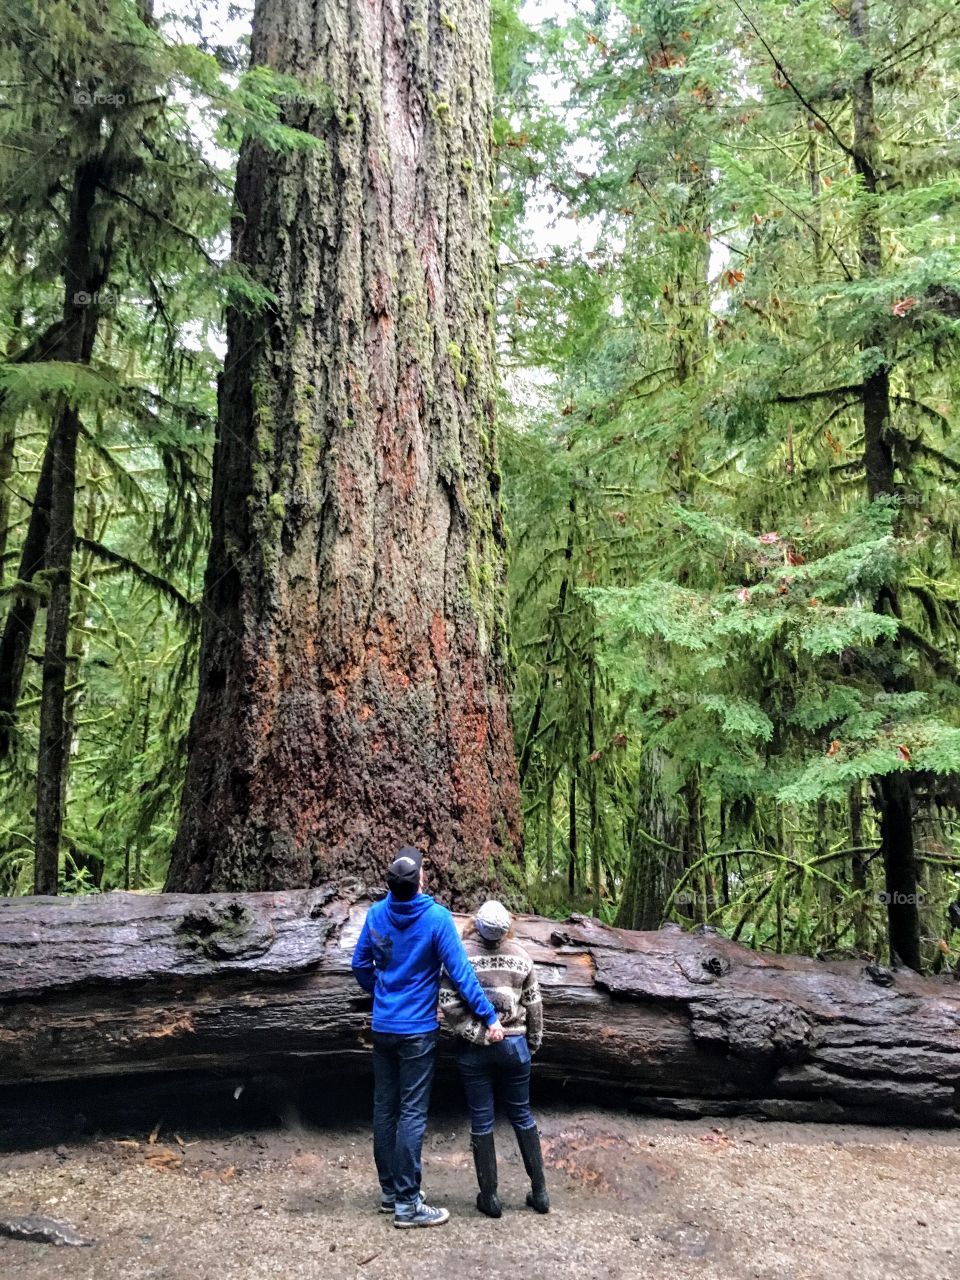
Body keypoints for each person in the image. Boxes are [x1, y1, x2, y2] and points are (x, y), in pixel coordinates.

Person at [351, 847, 506, 1228]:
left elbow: (360, 965)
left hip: (384, 1027)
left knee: (385, 1109)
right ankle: (407, 1204)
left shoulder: (375, 915)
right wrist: (488, 1016)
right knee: (411, 1114)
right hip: (418, 1031)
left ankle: (391, 1192)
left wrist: (382, 995)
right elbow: (461, 974)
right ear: (420, 881)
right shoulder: (436, 919)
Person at [438, 899, 549, 1218]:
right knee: (522, 1116)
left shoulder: (460, 956)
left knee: (482, 1119)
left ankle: (490, 1197)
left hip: (475, 1052)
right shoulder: (521, 955)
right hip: (515, 1047)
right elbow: (534, 1006)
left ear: (476, 923)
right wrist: (533, 1044)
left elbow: (448, 1003)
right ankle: (540, 1192)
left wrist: (477, 1034)